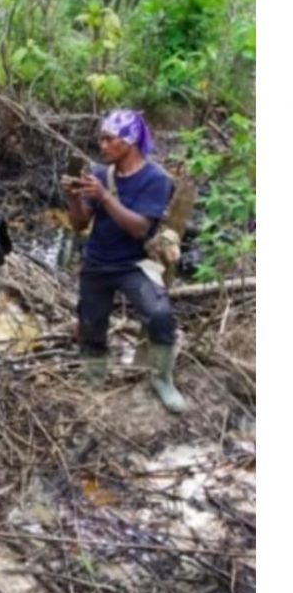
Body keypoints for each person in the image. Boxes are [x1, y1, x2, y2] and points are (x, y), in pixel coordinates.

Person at [61, 109, 186, 413]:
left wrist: (105, 197)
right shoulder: (101, 173)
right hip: (97, 261)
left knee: (159, 314)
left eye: (109, 139)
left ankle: (162, 378)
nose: (102, 146)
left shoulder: (156, 179)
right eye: (101, 139)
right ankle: (94, 377)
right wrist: (75, 198)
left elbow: (140, 228)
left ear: (129, 142)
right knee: (91, 326)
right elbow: (79, 225)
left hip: (134, 263)